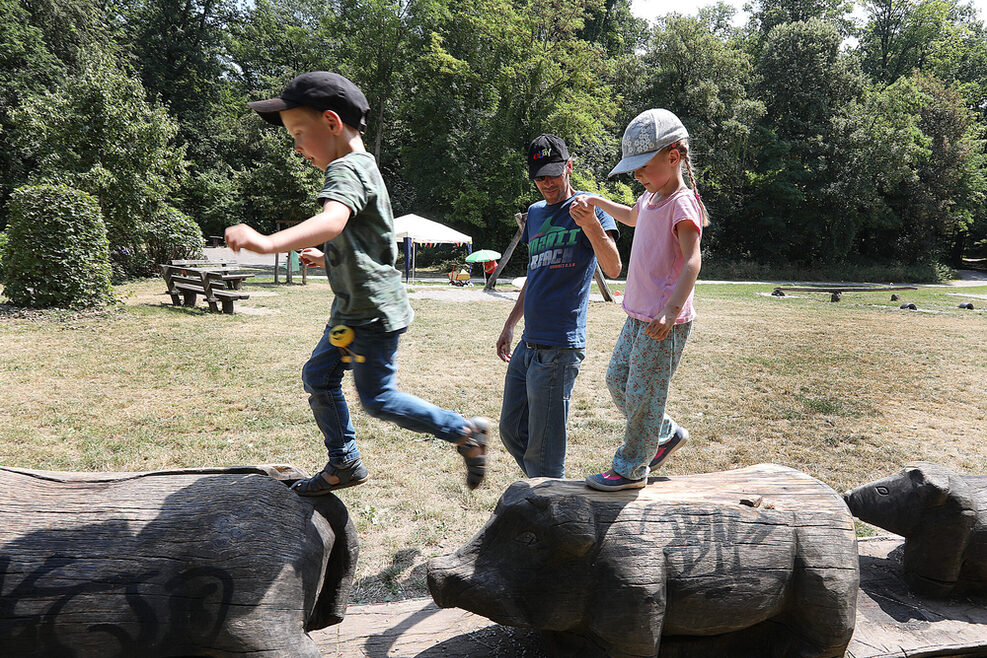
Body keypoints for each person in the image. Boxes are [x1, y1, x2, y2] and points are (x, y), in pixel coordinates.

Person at [225, 71, 489, 494]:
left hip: (369, 315)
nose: (296, 147)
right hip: (353, 310)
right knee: (319, 376)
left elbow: (333, 220)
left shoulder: (345, 169)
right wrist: (326, 256)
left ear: (331, 123)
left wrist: (267, 242)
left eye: (298, 132)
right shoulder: (363, 168)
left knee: (379, 399)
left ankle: (464, 432)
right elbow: (363, 241)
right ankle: (344, 461)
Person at [572, 108, 708, 492]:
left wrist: (671, 311)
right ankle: (664, 433)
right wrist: (599, 201)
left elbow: (693, 261)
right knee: (618, 381)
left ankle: (632, 468)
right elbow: (632, 217)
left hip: (664, 321)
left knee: (644, 392)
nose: (637, 175)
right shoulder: (650, 196)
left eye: (643, 166)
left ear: (674, 156)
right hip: (638, 315)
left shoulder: (682, 204)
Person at [497, 134, 621, 478]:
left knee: (544, 452)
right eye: (539, 177)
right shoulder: (535, 214)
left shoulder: (588, 208)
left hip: (559, 347)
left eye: (553, 173)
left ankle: (549, 497)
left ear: (569, 167)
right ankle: (548, 490)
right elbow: (534, 274)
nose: (547, 183)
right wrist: (510, 325)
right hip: (528, 343)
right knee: (511, 431)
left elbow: (613, 267)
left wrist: (591, 224)